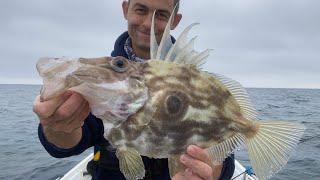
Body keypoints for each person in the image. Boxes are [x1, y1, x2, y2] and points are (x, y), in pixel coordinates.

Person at [33, 0, 235, 179]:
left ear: (175, 20)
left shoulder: (195, 83)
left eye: (161, 15)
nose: (149, 23)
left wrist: (211, 170)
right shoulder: (106, 80)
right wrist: (55, 125)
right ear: (125, 8)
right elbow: (69, 143)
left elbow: (224, 154)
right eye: (141, 10)